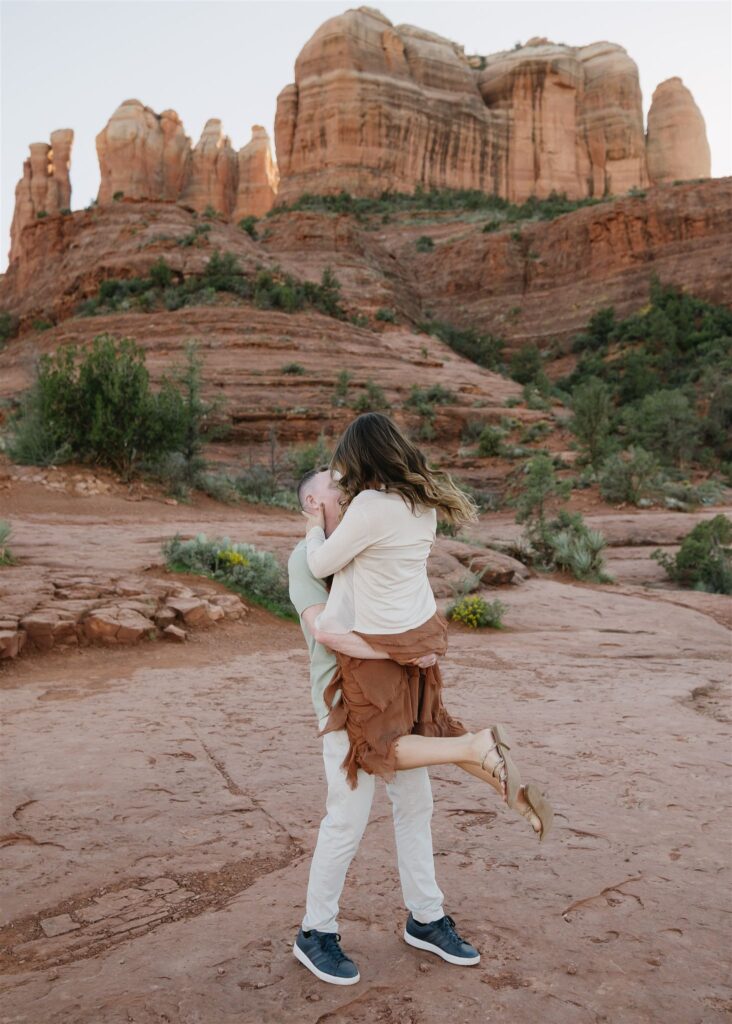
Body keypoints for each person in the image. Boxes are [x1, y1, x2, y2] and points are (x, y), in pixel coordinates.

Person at [301, 413, 552, 839]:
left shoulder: (368, 507)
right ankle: (514, 792)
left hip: (379, 640)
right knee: (428, 728)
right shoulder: (422, 506)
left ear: (361, 459)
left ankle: (476, 745)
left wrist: (312, 529)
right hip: (419, 634)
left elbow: (321, 563)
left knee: (377, 746)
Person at [288, 467, 481, 986]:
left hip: (395, 699)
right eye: (334, 482)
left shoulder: (368, 540)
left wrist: (415, 648)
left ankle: (426, 917)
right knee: (347, 817)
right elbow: (328, 634)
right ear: (313, 503)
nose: (347, 486)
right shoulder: (304, 560)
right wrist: (405, 651)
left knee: (416, 805)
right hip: (341, 707)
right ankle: (316, 932)